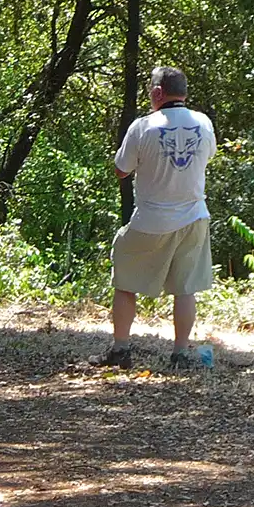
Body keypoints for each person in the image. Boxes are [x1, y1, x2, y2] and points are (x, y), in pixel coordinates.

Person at [94, 65, 217, 370]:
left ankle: (121, 349)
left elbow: (121, 169)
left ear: (158, 92)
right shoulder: (203, 123)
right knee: (185, 288)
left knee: (125, 280)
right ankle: (180, 353)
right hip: (194, 218)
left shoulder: (142, 126)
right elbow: (209, 156)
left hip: (151, 220)